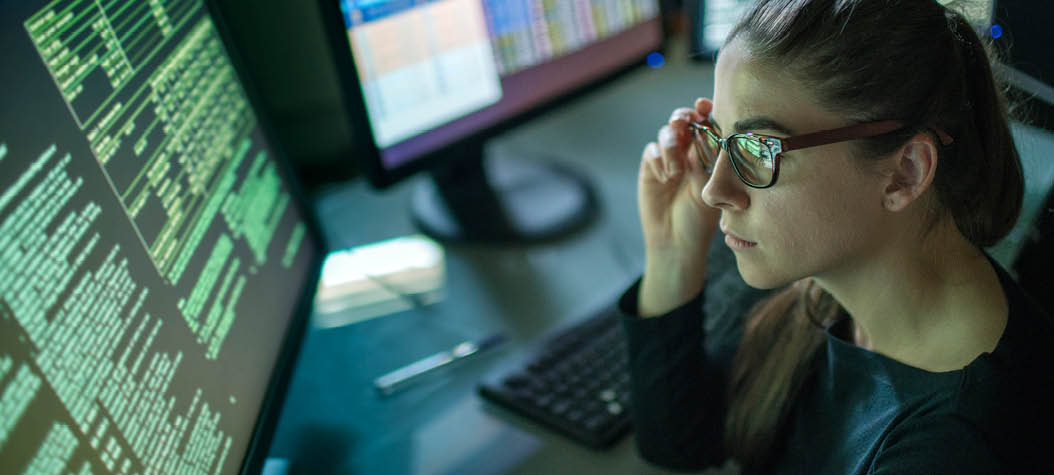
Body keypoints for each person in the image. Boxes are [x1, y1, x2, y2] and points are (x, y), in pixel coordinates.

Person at [619, 0, 1054, 472]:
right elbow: (680, 441)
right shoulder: (824, 282)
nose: (713, 190)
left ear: (904, 174)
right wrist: (672, 253)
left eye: (759, 148)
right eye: (717, 137)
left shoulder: (957, 448)